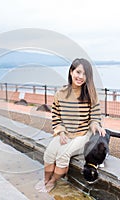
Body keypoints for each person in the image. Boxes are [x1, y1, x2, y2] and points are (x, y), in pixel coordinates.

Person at [37, 58, 106, 192]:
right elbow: (56, 116)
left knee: (63, 155)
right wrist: (61, 132)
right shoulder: (60, 94)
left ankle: (52, 181)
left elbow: (95, 117)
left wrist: (96, 125)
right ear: (71, 72)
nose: (81, 77)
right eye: (78, 72)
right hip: (65, 133)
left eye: (85, 74)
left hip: (83, 135)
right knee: (49, 154)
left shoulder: (91, 94)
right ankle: (45, 179)